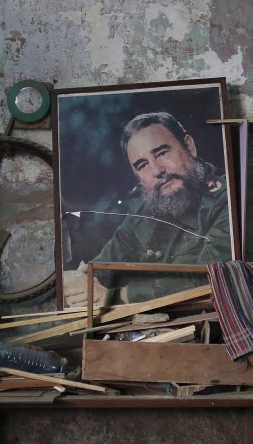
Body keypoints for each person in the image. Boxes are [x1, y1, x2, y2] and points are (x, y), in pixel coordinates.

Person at [62, 111, 233, 306]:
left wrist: (115, 296)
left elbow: (209, 278)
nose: (157, 171)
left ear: (189, 146)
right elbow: (107, 260)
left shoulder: (226, 199)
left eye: (162, 153)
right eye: (142, 165)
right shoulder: (144, 209)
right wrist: (79, 279)